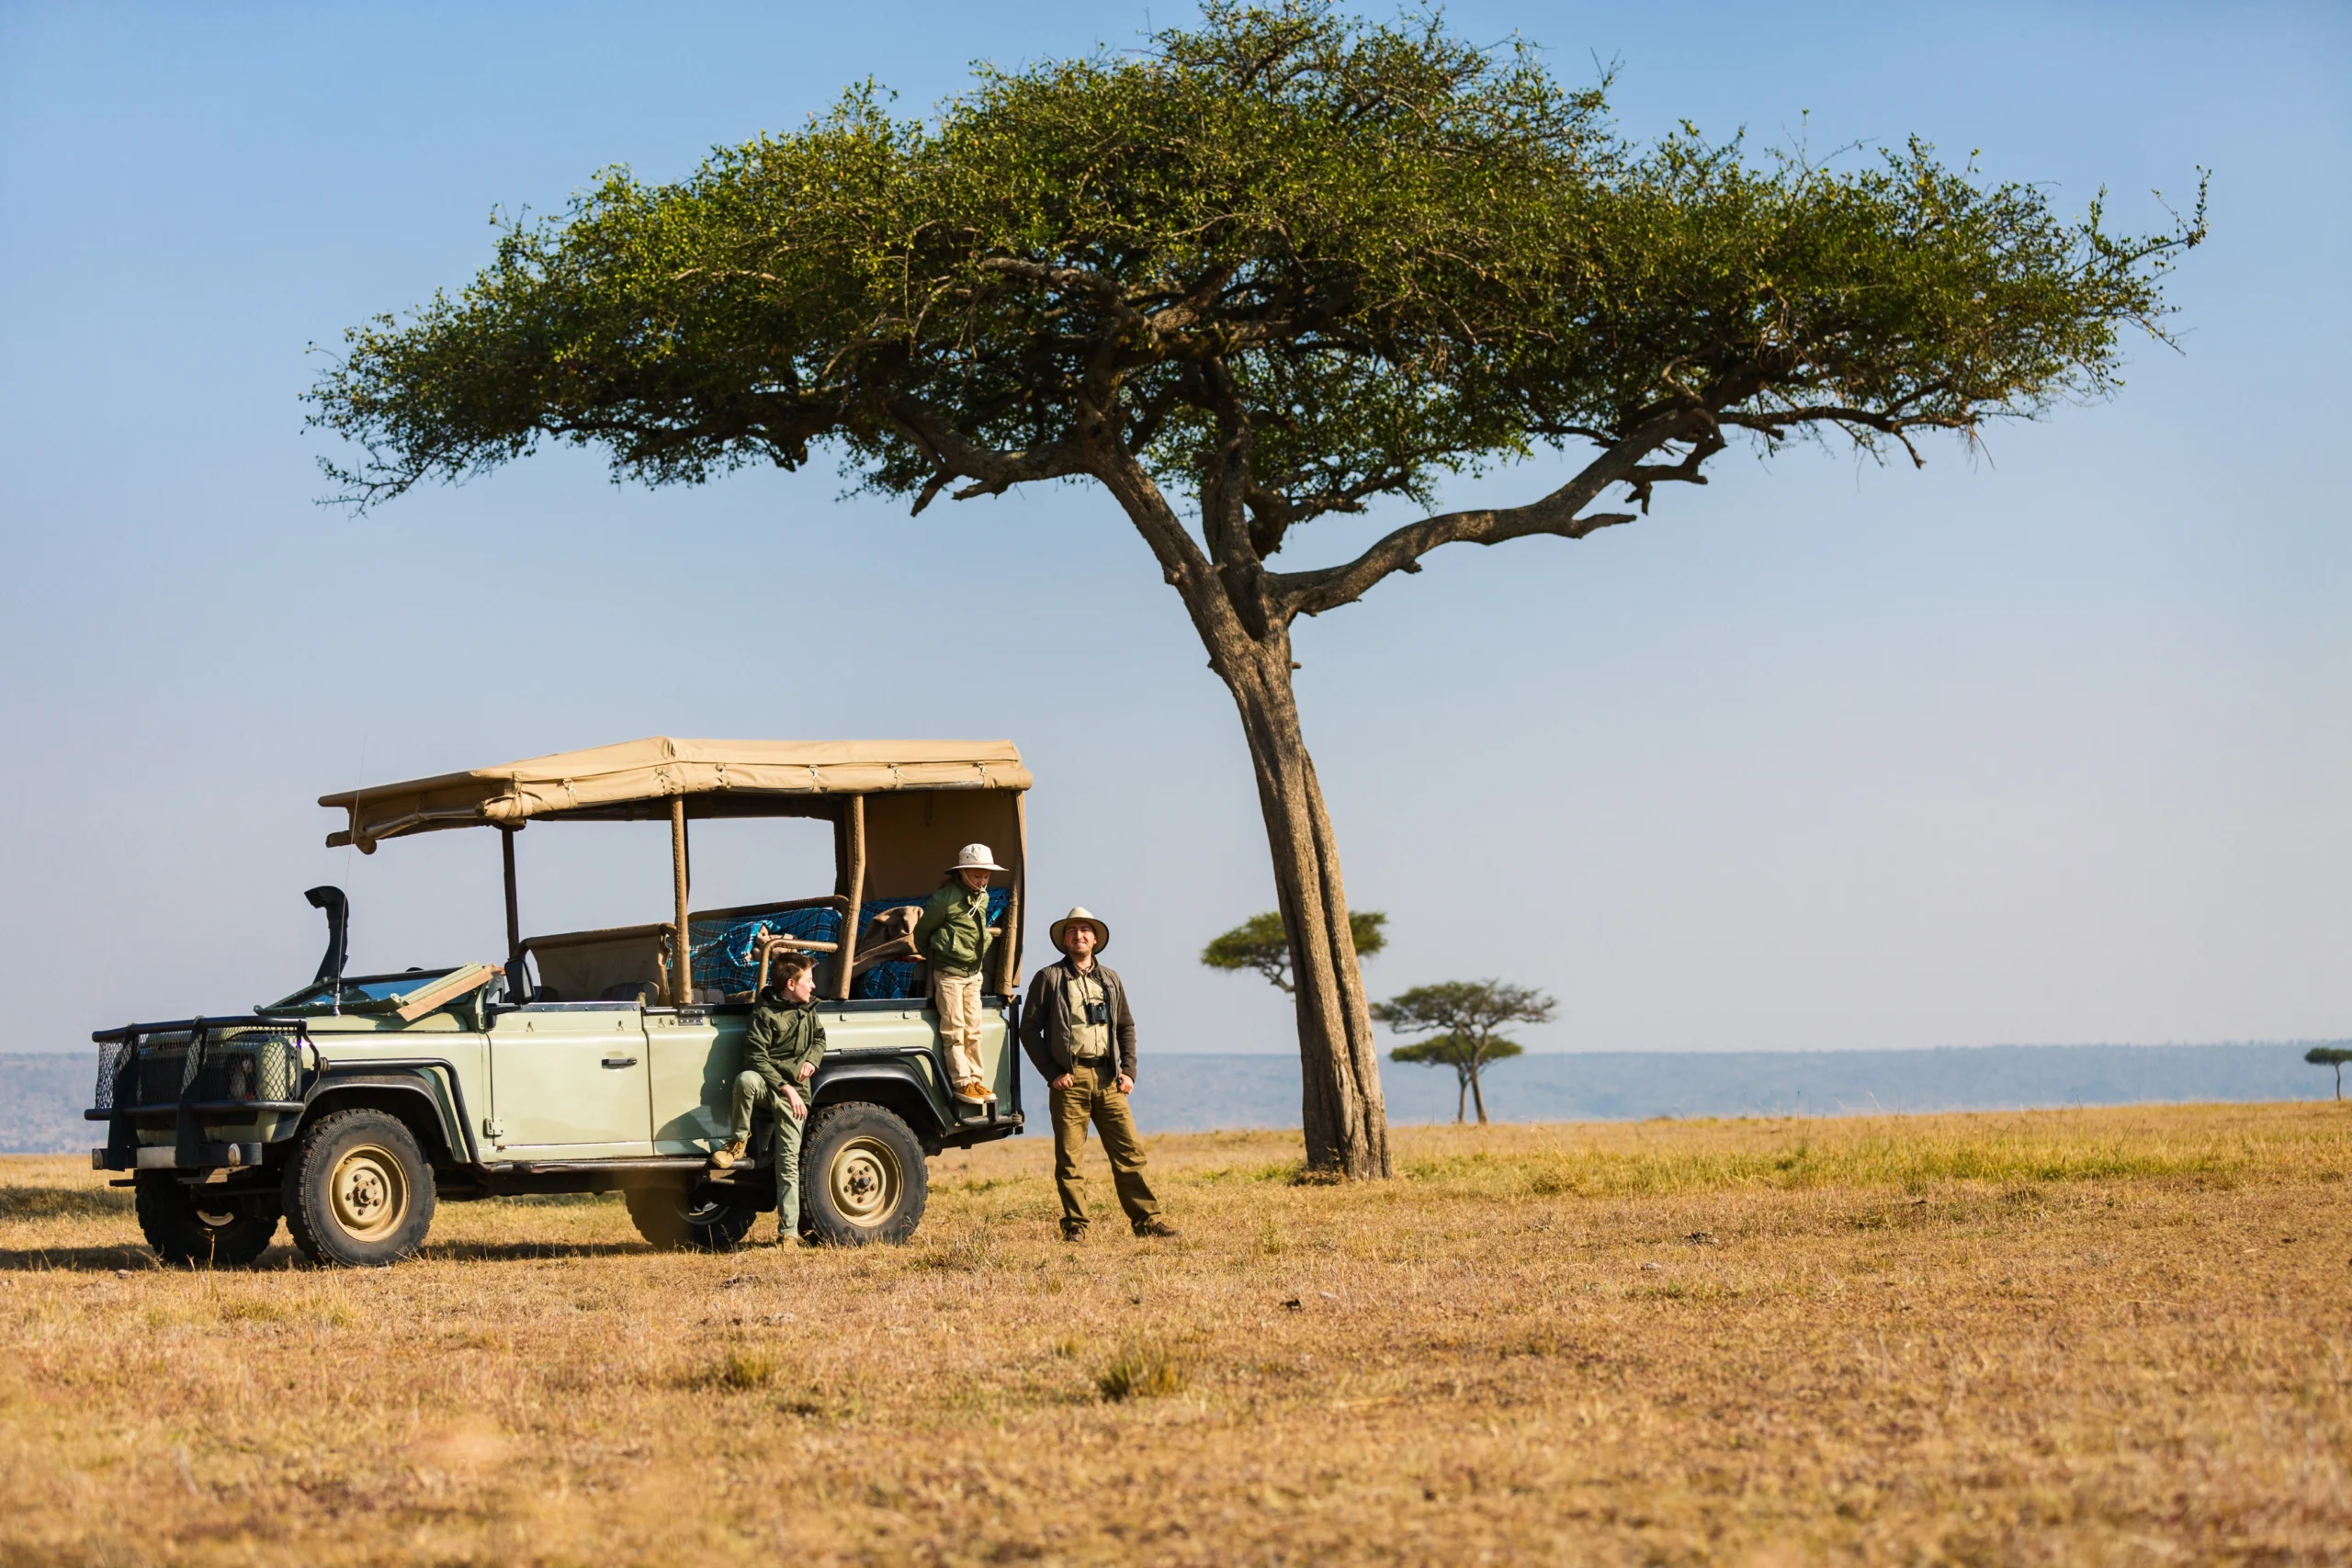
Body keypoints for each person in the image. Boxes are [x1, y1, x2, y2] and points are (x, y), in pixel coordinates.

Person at [1020, 906, 1178, 1242]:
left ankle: (1147, 1222)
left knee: (1130, 1153)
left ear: (1095, 939)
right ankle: (1075, 1226)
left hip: (1109, 1080)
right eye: (1072, 930)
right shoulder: (1049, 977)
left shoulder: (1110, 978)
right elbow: (1029, 1029)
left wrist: (1129, 1071)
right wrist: (1052, 1073)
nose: (1079, 935)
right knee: (1070, 1160)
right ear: (1064, 940)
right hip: (1070, 1081)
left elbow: (1125, 1026)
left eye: (1085, 930)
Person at [711, 950, 825, 1246]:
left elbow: (819, 1039)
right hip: (774, 1088)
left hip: (795, 1097)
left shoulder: (809, 1009)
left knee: (787, 1165)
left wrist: (812, 1059)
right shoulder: (763, 1014)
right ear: (791, 984)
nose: (813, 986)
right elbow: (755, 1058)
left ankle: (788, 1236)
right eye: (809, 980)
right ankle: (737, 1142)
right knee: (745, 1080)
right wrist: (785, 1088)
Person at [915, 843, 1002, 1106]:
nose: (983, 881)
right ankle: (962, 1082)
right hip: (949, 975)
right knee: (954, 1029)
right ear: (962, 872)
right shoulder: (943, 899)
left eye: (986, 876)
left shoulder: (983, 898)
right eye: (977, 875)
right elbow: (923, 933)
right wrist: (939, 952)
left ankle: (976, 1079)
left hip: (974, 974)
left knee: (973, 1030)